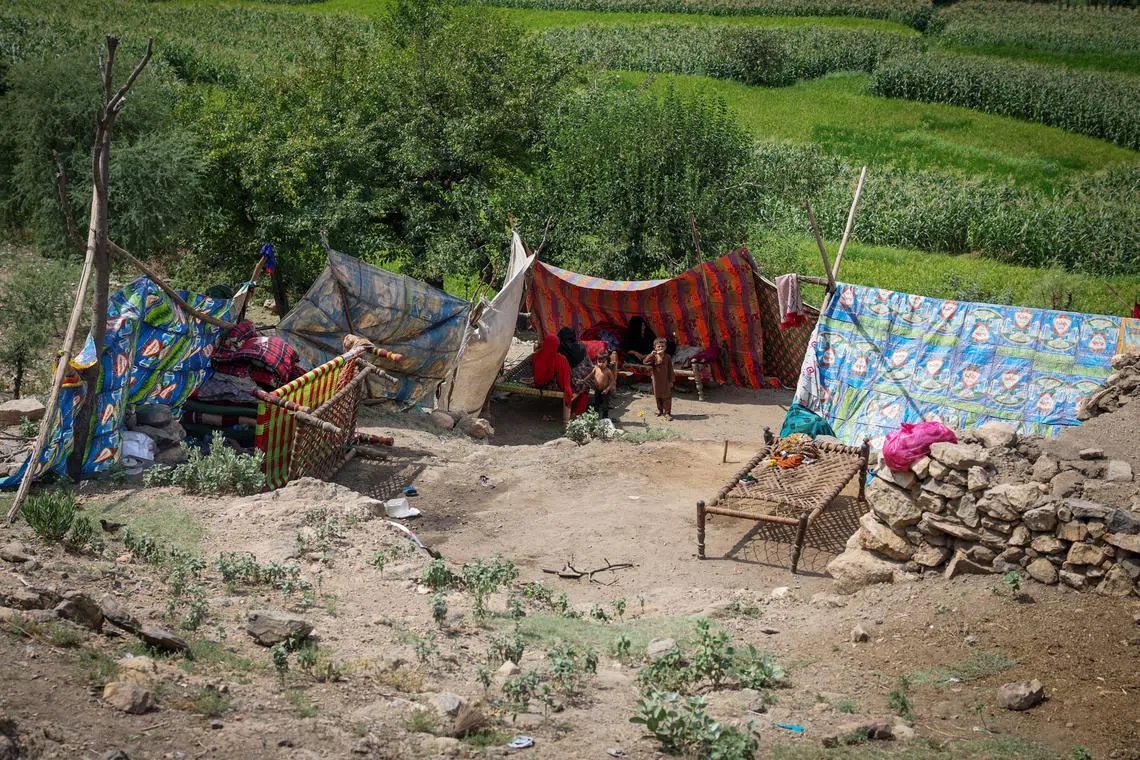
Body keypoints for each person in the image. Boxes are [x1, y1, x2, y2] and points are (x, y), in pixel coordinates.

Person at [533, 334, 588, 425]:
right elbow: (565, 381)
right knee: (584, 386)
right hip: (554, 386)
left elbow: (536, 373)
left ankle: (576, 411)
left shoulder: (537, 355)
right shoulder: (560, 359)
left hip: (539, 384)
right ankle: (576, 413)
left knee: (578, 383)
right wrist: (568, 387)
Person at [643, 337, 674, 420]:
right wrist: (651, 354)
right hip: (656, 381)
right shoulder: (653, 357)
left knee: (667, 396)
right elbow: (645, 362)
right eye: (658, 346)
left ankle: (667, 413)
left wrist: (671, 380)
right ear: (655, 348)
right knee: (658, 396)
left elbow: (671, 369)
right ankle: (660, 411)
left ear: (665, 347)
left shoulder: (668, 357)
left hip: (666, 380)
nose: (660, 348)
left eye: (662, 346)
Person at [589, 352, 617, 419]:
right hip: (597, 389)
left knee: (605, 405)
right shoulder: (596, 368)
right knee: (596, 403)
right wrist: (584, 380)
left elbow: (613, 381)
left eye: (603, 362)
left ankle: (605, 417)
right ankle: (594, 416)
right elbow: (590, 375)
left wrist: (607, 389)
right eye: (599, 361)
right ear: (596, 361)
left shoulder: (608, 371)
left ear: (607, 362)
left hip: (605, 391)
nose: (601, 364)